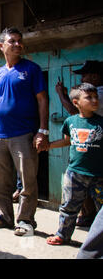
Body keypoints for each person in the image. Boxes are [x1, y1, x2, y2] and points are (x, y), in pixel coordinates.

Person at [0, 27, 48, 237]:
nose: (18, 44)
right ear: (2, 46)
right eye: (13, 41)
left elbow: (42, 100)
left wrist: (42, 131)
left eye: (20, 41)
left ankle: (26, 220)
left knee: (28, 179)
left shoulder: (32, 69)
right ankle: (4, 216)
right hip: (0, 134)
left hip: (24, 134)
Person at [46, 83, 103, 245]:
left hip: (99, 175)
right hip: (75, 173)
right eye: (89, 97)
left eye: (95, 97)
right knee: (69, 206)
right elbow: (67, 142)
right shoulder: (70, 121)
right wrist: (48, 145)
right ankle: (62, 235)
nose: (94, 100)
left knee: (102, 210)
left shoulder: (101, 123)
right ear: (76, 102)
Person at [55, 60, 103, 227]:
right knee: (74, 199)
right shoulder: (71, 123)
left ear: (95, 77)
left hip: (94, 162)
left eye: (85, 75)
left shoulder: (99, 95)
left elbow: (75, 112)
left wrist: (61, 94)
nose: (82, 79)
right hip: (81, 164)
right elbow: (67, 140)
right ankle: (85, 218)